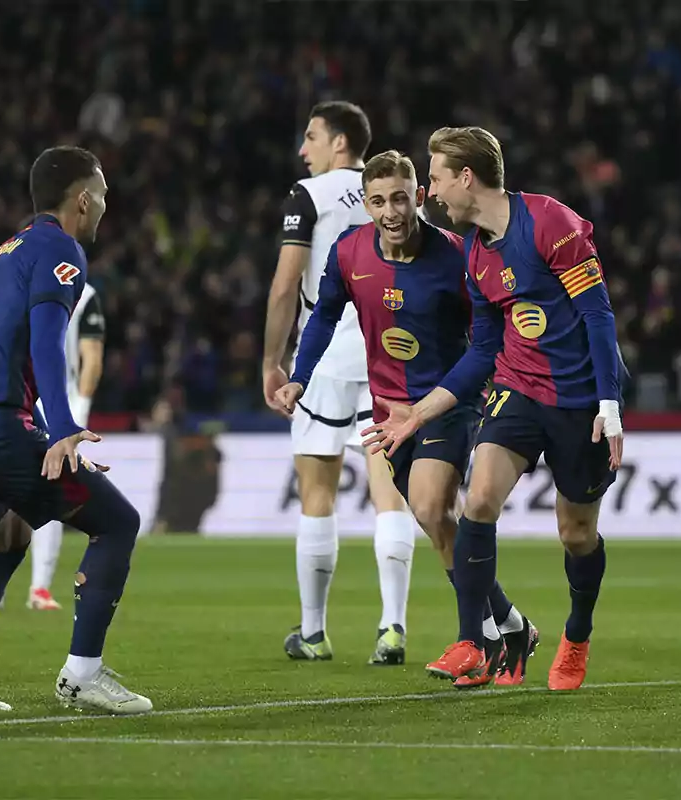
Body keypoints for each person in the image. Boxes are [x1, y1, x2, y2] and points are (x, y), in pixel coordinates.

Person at [363, 128, 626, 691]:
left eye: (434, 178)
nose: (431, 193)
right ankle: (473, 642)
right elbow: (484, 350)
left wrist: (611, 402)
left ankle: (576, 634)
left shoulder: (551, 222)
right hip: (517, 388)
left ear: (466, 177)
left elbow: (599, 317)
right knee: (479, 500)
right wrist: (419, 414)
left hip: (580, 399)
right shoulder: (476, 256)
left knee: (576, 533)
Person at [276, 150, 538, 686]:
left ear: (419, 196)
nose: (391, 211)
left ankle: (476, 641)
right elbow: (324, 313)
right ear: (366, 206)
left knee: (427, 502)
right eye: (378, 201)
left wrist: (448, 399)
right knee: (437, 523)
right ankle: (511, 624)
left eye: (400, 197)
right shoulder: (349, 254)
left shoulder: (456, 256)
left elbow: (486, 342)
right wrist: (299, 375)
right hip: (389, 413)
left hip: (446, 404)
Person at [0, 146, 151, 715]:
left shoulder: (6, 251)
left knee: (8, 538)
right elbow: (48, 343)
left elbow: (0, 351)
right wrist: (66, 428)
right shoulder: (59, 249)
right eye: (102, 193)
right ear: (83, 199)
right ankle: (82, 675)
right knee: (117, 522)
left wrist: (48, 434)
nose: (105, 204)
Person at [262, 102, 417, 664]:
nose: (304, 150)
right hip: (387, 353)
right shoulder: (393, 192)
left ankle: (313, 632)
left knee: (317, 495)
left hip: (323, 356)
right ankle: (392, 626)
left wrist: (271, 363)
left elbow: (285, 287)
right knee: (390, 492)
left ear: (341, 142)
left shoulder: (309, 194)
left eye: (312, 137)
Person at [24, 278, 105, 611]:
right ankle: (38, 587)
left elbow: (92, 360)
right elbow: (93, 359)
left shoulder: (15, 285)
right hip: (52, 407)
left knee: (3, 491)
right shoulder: (85, 295)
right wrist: (77, 412)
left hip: (20, 403)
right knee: (51, 494)